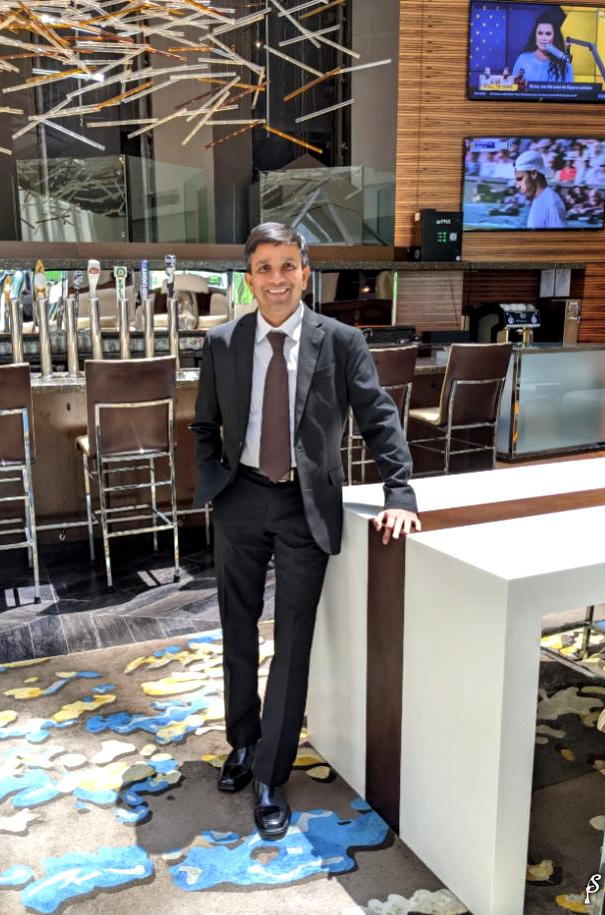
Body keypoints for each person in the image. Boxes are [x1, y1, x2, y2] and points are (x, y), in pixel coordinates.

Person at [191, 222, 420, 840]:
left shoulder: (341, 341)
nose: (277, 279)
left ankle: (271, 773)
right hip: (239, 499)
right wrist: (213, 482)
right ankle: (243, 742)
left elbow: (378, 418)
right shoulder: (222, 343)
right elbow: (203, 425)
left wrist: (399, 491)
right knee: (236, 629)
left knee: (293, 641)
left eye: (288, 266)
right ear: (249, 279)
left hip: (304, 505)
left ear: (305, 272)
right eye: (264, 268)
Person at [512, 14, 574, 82]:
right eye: (540, 33)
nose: (543, 38)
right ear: (535, 36)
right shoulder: (523, 59)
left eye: (548, 34)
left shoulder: (564, 65)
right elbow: (514, 86)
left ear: (555, 37)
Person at [514, 149, 567, 228]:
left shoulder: (552, 203)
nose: (517, 186)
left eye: (520, 179)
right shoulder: (539, 198)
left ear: (533, 174)